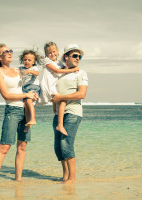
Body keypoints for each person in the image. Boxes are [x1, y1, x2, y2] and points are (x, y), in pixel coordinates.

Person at [0, 43, 38, 186]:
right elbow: (6, 95)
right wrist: (26, 94)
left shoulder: (18, 70)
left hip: (25, 110)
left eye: (10, 50)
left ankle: (18, 180)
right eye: (6, 51)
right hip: (12, 111)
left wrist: (33, 95)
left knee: (22, 146)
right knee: (5, 147)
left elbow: (30, 83)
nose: (10, 53)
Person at [51, 44, 88, 184]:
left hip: (73, 112)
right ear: (66, 56)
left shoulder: (81, 73)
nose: (78, 58)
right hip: (58, 114)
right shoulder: (58, 73)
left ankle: (72, 178)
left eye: (80, 56)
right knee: (58, 147)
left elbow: (82, 94)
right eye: (75, 55)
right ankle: (65, 176)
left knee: (66, 143)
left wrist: (61, 98)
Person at [40, 42, 80, 136]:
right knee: (63, 100)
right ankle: (60, 125)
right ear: (46, 54)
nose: (52, 54)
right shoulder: (46, 61)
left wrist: (72, 69)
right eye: (49, 53)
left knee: (56, 104)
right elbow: (57, 71)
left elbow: (63, 68)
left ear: (58, 52)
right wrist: (73, 70)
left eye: (54, 51)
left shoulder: (59, 63)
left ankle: (56, 114)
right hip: (48, 86)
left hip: (54, 85)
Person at [19, 50, 41, 132]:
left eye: (29, 60)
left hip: (33, 87)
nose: (26, 62)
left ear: (33, 61)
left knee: (29, 101)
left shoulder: (34, 68)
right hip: (25, 89)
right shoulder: (21, 68)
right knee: (25, 104)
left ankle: (33, 119)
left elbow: (37, 73)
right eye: (25, 60)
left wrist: (30, 71)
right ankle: (29, 123)